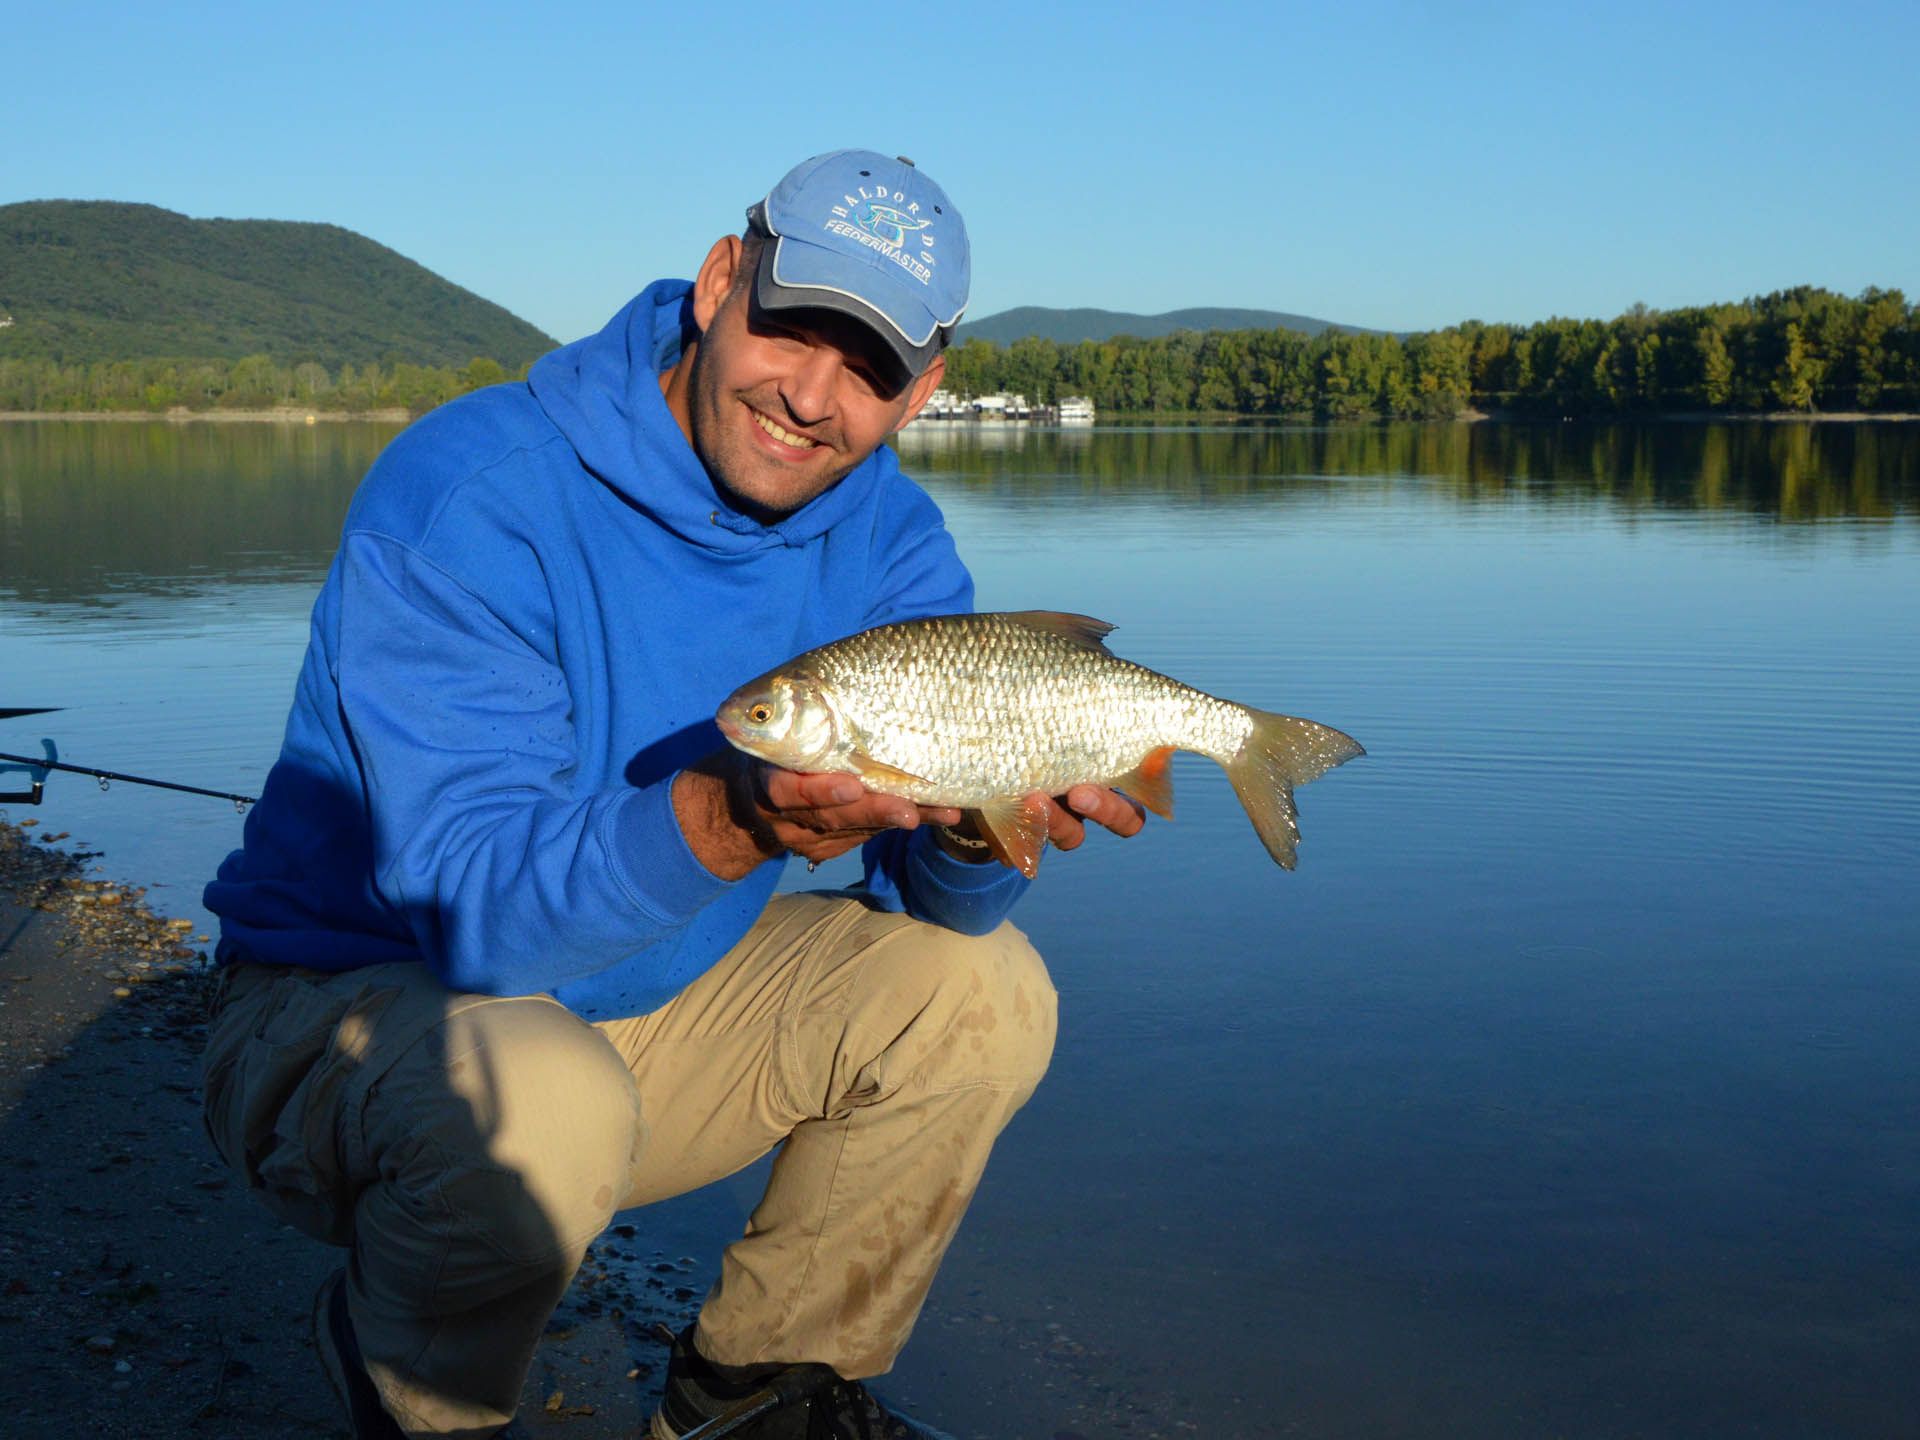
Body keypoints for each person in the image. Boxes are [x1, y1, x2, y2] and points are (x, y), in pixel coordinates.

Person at [199, 150, 1144, 1440]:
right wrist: (730, 817)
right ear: (718, 285)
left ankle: (757, 1390)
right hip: (354, 1022)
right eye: (792, 328)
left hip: (650, 1001)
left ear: (920, 393)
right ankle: (413, 1382)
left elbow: (943, 908)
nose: (813, 396)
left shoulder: (893, 543)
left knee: (983, 995)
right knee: (544, 1096)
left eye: (868, 368)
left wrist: (1001, 813)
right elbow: (481, 929)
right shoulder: (476, 492)